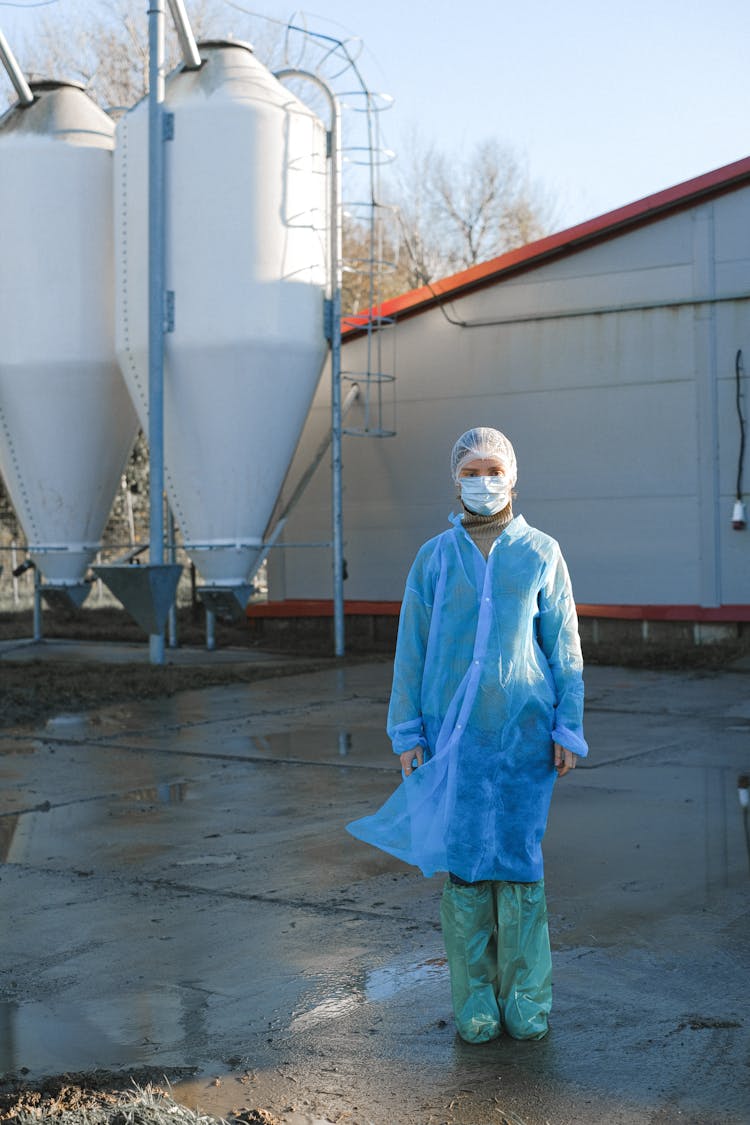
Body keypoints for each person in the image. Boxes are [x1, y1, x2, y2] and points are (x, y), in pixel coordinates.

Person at [347, 426, 588, 1044]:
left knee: (520, 863)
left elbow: (565, 648)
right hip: (451, 739)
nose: (483, 481)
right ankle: (475, 1001)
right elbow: (412, 650)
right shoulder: (432, 559)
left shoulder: (541, 553)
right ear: (455, 479)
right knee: (465, 868)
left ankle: (526, 999)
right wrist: (407, 732)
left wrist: (568, 726)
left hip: (525, 738)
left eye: (493, 469)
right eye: (471, 471)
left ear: (513, 475)